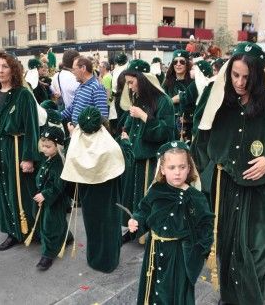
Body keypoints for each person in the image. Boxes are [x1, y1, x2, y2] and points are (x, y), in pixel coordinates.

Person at [193, 42, 265, 305]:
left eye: (246, 77)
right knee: (227, 249)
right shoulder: (217, 98)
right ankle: (230, 298)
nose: (240, 82)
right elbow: (201, 140)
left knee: (255, 253)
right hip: (225, 188)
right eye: (235, 75)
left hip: (262, 195)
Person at [128, 141, 213, 305]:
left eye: (182, 167)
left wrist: (194, 255)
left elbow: (205, 228)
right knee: (153, 291)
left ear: (189, 168)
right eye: (172, 167)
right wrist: (136, 221)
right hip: (154, 252)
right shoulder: (155, 190)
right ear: (162, 169)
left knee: (174, 294)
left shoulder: (196, 197)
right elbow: (144, 210)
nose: (177, 173)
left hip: (179, 257)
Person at [0, 52, 40, 251]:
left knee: (23, 192)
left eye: (4, 66)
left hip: (18, 148)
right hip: (0, 149)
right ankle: (12, 232)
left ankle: (33, 229)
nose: (0, 70)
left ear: (13, 69)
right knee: (4, 191)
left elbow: (32, 128)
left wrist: (29, 157)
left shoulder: (23, 94)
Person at [61, 106, 132, 273]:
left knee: (92, 227)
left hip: (88, 198)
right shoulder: (111, 146)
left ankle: (94, 260)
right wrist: (126, 142)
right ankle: (109, 261)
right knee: (109, 227)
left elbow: (69, 177)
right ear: (102, 126)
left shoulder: (76, 145)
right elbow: (126, 161)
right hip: (110, 197)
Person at [121, 60, 175, 231]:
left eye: (131, 82)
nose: (129, 87)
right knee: (134, 196)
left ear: (143, 80)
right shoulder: (138, 99)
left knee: (148, 196)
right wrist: (125, 135)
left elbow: (166, 132)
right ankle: (136, 229)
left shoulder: (164, 101)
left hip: (152, 159)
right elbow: (129, 125)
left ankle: (150, 231)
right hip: (136, 156)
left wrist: (145, 116)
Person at [33, 126, 71, 271]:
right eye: (43, 145)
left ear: (58, 146)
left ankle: (48, 254)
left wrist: (45, 194)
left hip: (55, 200)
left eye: (48, 146)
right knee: (51, 221)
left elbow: (58, 185)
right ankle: (67, 236)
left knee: (50, 224)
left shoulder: (59, 163)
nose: (44, 149)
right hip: (45, 198)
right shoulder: (46, 157)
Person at [61, 56, 108, 125]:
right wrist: (57, 116)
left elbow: (102, 117)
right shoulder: (80, 86)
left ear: (83, 68)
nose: (73, 72)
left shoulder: (97, 88)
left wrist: (83, 130)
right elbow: (72, 107)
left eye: (74, 69)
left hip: (86, 134)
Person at [162, 50, 193, 140]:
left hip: (189, 127)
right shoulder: (167, 83)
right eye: (175, 62)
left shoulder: (193, 83)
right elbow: (160, 104)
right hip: (170, 125)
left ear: (187, 64)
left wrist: (183, 98)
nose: (178, 64)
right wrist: (171, 101)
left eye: (182, 62)